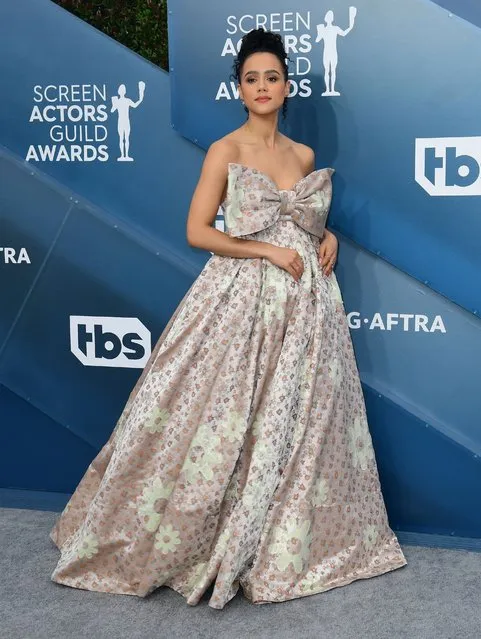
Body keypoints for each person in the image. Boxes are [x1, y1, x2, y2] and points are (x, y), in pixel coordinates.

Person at [49, 28, 407, 610]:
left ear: (287, 87)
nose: (262, 87)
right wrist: (266, 250)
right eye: (251, 78)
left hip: (305, 306)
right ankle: (189, 537)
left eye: (272, 77)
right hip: (241, 299)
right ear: (239, 89)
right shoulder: (226, 150)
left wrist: (328, 234)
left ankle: (278, 540)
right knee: (220, 418)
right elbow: (198, 232)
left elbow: (301, 218)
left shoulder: (304, 156)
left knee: (299, 425)